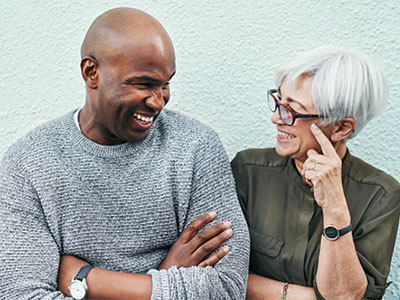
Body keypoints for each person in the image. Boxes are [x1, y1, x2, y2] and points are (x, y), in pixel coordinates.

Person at [0, 7, 250, 300]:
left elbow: (227, 287)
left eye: (165, 84)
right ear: (91, 72)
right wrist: (164, 276)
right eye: (143, 84)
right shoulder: (30, 164)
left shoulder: (195, 148)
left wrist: (87, 280)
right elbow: (20, 295)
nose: (158, 102)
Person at [231, 46, 400, 300]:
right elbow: (218, 274)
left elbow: (346, 296)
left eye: (293, 111)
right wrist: (307, 297)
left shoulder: (380, 195)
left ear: (342, 128)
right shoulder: (249, 170)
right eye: (279, 102)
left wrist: (334, 206)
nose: (277, 118)